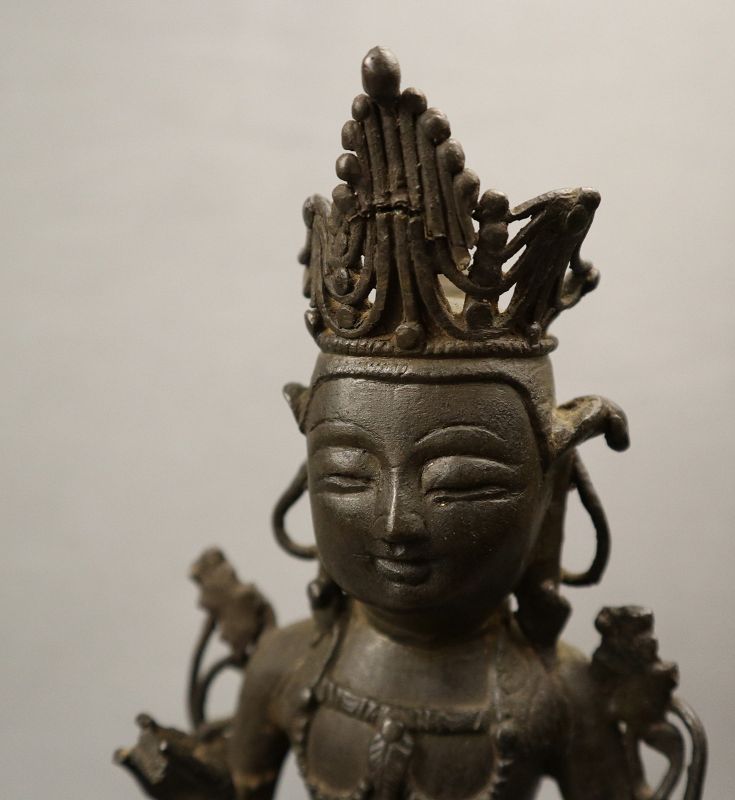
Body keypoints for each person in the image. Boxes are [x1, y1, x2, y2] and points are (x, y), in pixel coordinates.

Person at [117, 47, 705, 800]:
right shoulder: (288, 667)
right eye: (348, 475)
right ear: (306, 471)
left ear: (552, 481)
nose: (398, 524)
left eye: (459, 482)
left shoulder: (555, 697)